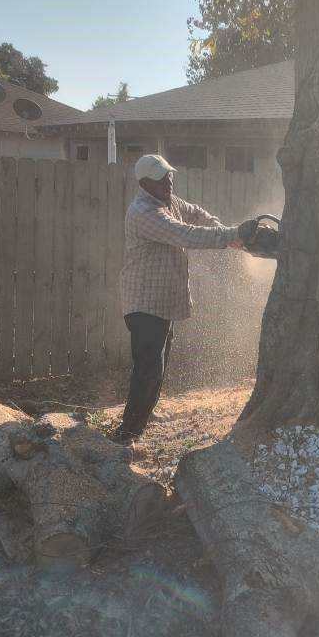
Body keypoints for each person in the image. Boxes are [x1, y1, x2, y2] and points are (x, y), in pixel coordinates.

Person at [111, 153, 257, 445]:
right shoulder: (144, 212)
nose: (168, 182)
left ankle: (142, 417)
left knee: (158, 364)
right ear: (145, 183)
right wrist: (231, 234)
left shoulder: (169, 201)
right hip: (144, 302)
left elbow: (196, 214)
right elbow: (185, 234)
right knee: (149, 367)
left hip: (162, 301)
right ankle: (127, 433)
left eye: (169, 176)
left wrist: (228, 234)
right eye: (161, 179)